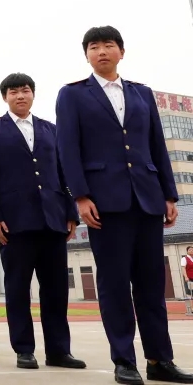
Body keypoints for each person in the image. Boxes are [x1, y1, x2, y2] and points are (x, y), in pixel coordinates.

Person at [56, 26, 193, 384]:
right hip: (104, 203)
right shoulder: (72, 95)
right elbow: (67, 149)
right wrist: (80, 196)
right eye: (94, 46)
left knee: (151, 285)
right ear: (86, 54)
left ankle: (159, 360)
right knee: (115, 285)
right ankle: (124, 361)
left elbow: (157, 144)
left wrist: (169, 194)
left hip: (147, 199)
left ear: (121, 51)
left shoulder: (141, 93)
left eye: (108, 45)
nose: (102, 51)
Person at [0, 73, 83, 370]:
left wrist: (71, 213)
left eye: (25, 90)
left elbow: (64, 173)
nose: (20, 96)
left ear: (33, 94)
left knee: (56, 290)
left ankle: (59, 351)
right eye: (13, 92)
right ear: (5, 97)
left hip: (53, 221)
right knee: (18, 289)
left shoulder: (51, 129)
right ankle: (24, 349)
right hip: (15, 223)